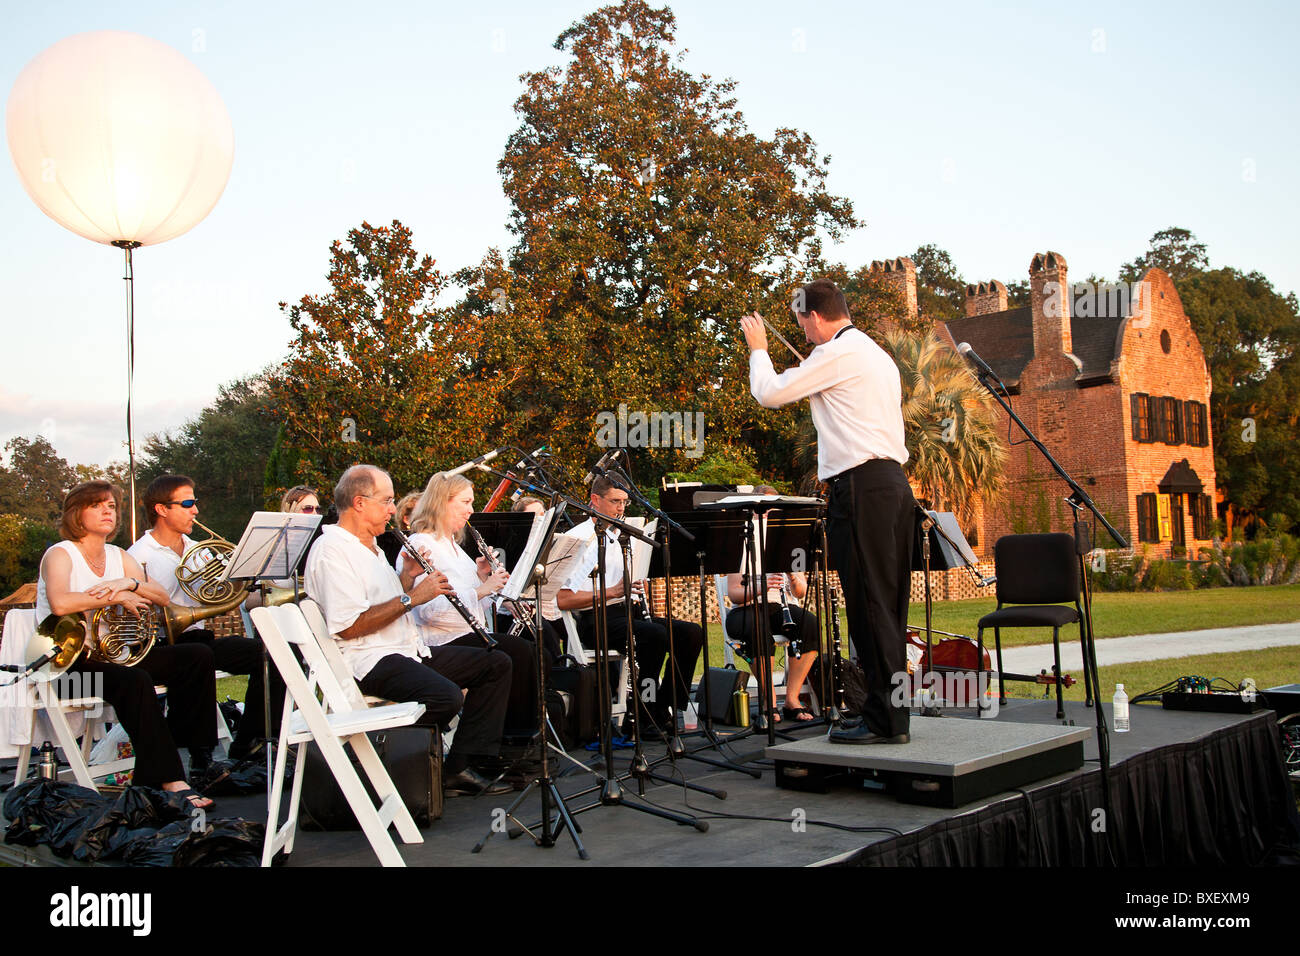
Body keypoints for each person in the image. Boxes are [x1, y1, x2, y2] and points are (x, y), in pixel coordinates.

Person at [741, 279, 915, 744]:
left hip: (860, 488)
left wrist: (758, 349)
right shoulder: (873, 354)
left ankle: (884, 722)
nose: (802, 335)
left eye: (801, 324)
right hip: (892, 485)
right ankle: (890, 714)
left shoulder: (834, 354)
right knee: (887, 605)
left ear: (814, 316)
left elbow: (769, 393)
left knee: (870, 605)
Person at [304, 464, 511, 795]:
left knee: (496, 663)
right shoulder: (333, 551)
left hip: (404, 650)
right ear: (359, 503)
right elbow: (348, 626)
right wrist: (413, 596)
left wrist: (407, 576)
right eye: (386, 501)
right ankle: (392, 763)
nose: (392, 509)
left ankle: (458, 768)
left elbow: (387, 599)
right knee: (445, 697)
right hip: (367, 660)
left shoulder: (369, 546)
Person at [35, 481, 216, 805]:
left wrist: (131, 583)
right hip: (67, 671)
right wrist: (115, 594)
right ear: (77, 513)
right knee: (135, 681)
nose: (108, 511)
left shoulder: (118, 556)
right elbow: (60, 603)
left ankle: (191, 757)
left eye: (112, 506)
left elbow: (161, 597)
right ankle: (171, 780)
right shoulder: (60, 553)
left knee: (197, 656)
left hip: (112, 658)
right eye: (97, 504)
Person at [127, 474, 281, 762]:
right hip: (159, 643)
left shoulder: (200, 550)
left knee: (273, 655)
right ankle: (201, 757)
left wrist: (247, 577)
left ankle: (251, 741)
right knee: (197, 657)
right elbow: (138, 613)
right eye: (187, 503)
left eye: (194, 503)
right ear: (161, 509)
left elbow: (232, 597)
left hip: (198, 636)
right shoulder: (138, 555)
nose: (195, 510)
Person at [399, 472, 549, 735]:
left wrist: (484, 579)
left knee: (530, 650)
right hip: (439, 639)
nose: (471, 510)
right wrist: (481, 590)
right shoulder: (422, 544)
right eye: (465, 502)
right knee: (518, 653)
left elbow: (471, 596)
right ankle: (514, 737)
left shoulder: (454, 548)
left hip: (465, 633)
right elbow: (428, 611)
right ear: (442, 502)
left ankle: (520, 734)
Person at [556, 475, 705, 734]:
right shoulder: (579, 539)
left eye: (625, 502)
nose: (621, 508)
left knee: (691, 633)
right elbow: (563, 598)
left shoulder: (622, 534)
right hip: (594, 620)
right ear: (595, 500)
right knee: (654, 636)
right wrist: (613, 592)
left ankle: (663, 705)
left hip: (627, 614)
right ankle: (643, 712)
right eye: (615, 501)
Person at [723, 486, 821, 721]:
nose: (766, 516)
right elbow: (735, 593)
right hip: (746, 609)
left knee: (810, 624)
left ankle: (792, 698)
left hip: (779, 607)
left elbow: (801, 591)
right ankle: (769, 701)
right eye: (762, 511)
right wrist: (762, 586)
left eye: (771, 511)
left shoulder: (788, 541)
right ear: (753, 512)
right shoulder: (740, 541)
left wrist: (792, 575)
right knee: (757, 628)